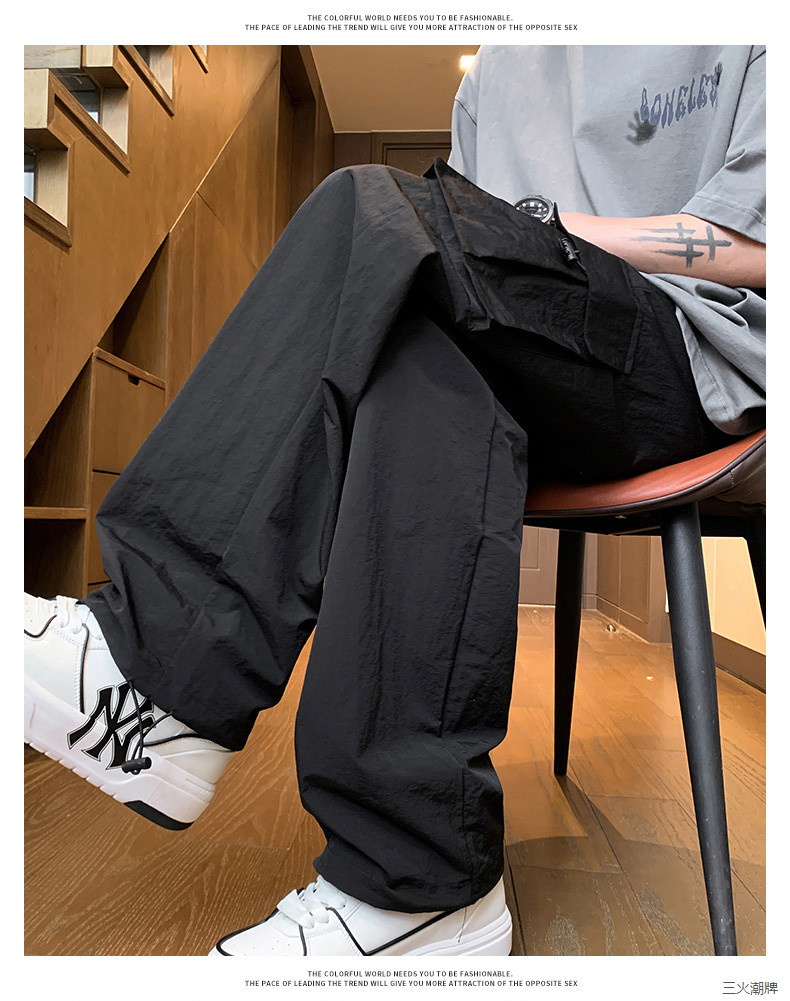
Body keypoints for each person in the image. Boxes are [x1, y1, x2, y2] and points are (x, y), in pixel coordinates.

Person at [24, 45, 765, 957]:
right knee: (417, 354)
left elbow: (762, 250)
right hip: (535, 353)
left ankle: (155, 672)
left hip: (687, 350)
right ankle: (418, 883)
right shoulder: (498, 70)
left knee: (370, 205)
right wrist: (509, 238)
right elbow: (474, 261)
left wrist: (551, 229)